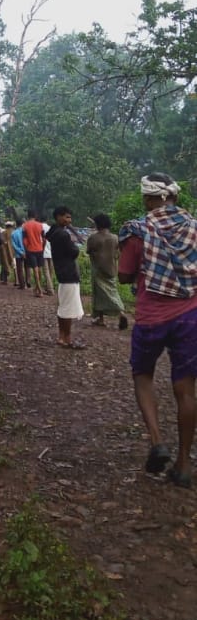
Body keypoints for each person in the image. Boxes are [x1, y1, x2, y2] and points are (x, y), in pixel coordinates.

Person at [118, 173, 197, 489]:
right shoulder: (193, 227)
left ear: (148, 199)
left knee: (143, 375)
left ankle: (156, 440)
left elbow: (124, 275)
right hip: (190, 315)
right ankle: (183, 463)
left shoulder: (138, 231)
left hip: (151, 317)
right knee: (186, 391)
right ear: (174, 197)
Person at [46, 205, 85, 348]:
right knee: (68, 308)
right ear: (58, 217)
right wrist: (74, 244)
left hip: (61, 271)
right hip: (68, 272)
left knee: (63, 306)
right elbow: (74, 251)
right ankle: (66, 337)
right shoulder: (63, 234)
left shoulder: (54, 232)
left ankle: (62, 335)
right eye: (67, 217)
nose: (69, 220)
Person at [87, 213, 128, 330]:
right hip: (111, 269)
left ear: (97, 224)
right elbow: (118, 252)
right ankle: (106, 317)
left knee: (99, 294)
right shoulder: (115, 238)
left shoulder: (94, 238)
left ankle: (116, 314)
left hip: (98, 269)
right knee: (112, 291)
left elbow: (89, 250)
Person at [22, 210, 46, 297]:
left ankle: (39, 290)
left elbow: (24, 241)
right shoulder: (40, 225)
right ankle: (37, 288)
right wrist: (42, 247)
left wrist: (25, 249)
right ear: (35, 216)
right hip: (39, 249)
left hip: (30, 250)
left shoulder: (25, 226)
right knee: (39, 270)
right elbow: (44, 239)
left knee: (35, 270)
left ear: (28, 216)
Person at [40, 217, 55, 295]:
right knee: (51, 270)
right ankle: (49, 286)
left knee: (46, 271)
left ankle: (50, 289)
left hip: (43, 251)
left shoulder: (39, 227)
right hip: (51, 251)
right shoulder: (50, 228)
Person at [11, 218, 27, 289]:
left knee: (19, 269)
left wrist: (20, 252)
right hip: (27, 252)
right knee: (27, 268)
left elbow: (14, 245)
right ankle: (28, 282)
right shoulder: (25, 231)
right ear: (22, 223)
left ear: (16, 224)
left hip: (18, 254)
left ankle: (22, 285)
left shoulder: (14, 233)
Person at [0, 220, 15, 284]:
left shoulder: (3, 233)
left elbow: (1, 241)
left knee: (5, 264)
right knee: (14, 265)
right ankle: (17, 280)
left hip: (5, 251)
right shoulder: (14, 232)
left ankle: (5, 280)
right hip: (13, 251)